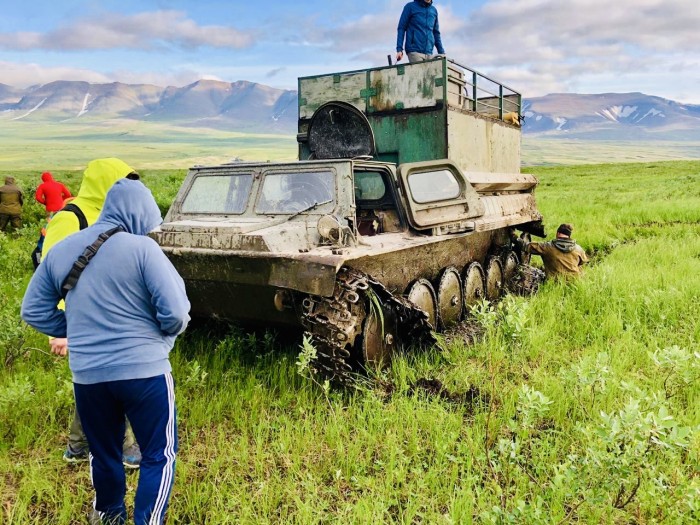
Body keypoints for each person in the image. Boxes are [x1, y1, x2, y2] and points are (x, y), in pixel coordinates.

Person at [21, 178, 190, 525]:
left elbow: (33, 310)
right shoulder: (143, 249)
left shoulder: (63, 249)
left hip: (89, 376)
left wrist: (83, 333)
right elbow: (175, 313)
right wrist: (159, 338)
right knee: (159, 454)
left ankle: (110, 516)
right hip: (145, 373)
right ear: (139, 212)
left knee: (104, 451)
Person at [43, 158, 143, 467]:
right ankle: (125, 446)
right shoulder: (70, 218)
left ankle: (77, 445)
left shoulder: (120, 216)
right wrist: (59, 329)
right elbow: (51, 273)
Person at [521, 223, 589, 278]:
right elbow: (583, 262)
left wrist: (513, 236)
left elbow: (526, 246)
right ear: (569, 236)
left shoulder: (547, 247)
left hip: (554, 282)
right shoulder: (578, 249)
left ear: (558, 233)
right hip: (574, 282)